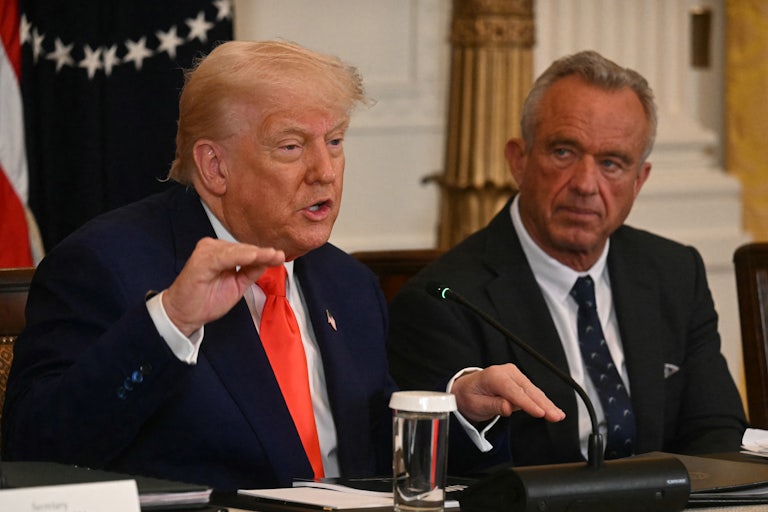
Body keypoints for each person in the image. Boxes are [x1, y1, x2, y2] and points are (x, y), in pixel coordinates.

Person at [1, 40, 564, 491]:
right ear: (214, 166)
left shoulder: (348, 284)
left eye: (335, 141)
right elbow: (36, 449)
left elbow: (368, 461)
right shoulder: (105, 265)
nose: (325, 171)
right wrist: (170, 322)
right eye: (292, 147)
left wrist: (455, 411)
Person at [387, 50, 748, 476]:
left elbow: (717, 431)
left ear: (639, 180)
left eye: (611, 163)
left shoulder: (675, 273)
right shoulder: (445, 301)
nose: (585, 184)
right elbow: (449, 469)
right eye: (563, 152)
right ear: (519, 160)